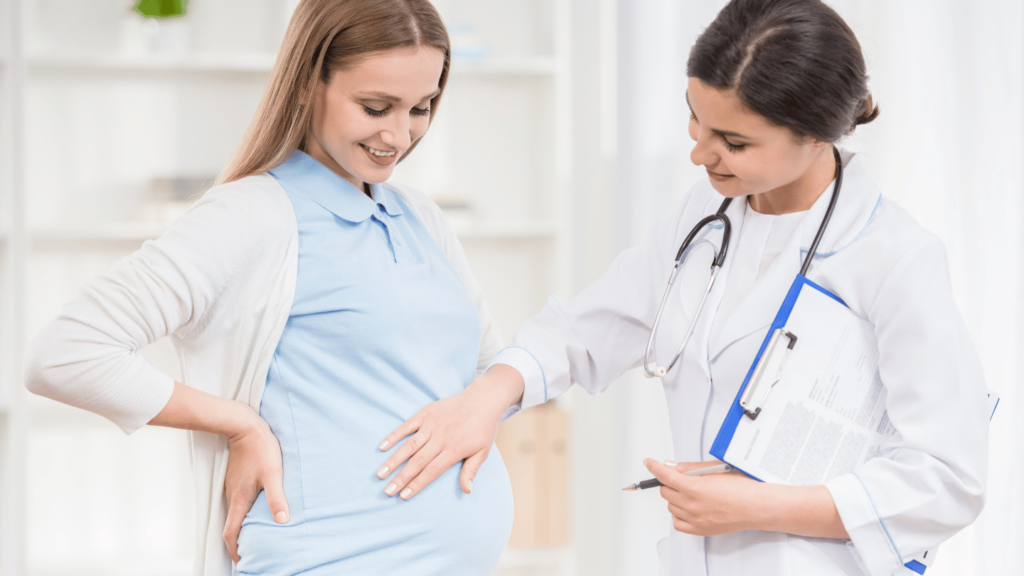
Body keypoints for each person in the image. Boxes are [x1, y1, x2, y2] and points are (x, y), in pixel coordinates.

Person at [377, 0, 989, 574]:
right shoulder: (706, 216)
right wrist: (488, 397)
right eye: (695, 118)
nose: (700, 153)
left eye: (734, 142)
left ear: (817, 134)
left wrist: (755, 507)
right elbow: (589, 328)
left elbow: (947, 478)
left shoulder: (895, 258)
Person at [22, 0, 514, 574]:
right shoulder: (251, 215)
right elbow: (64, 354)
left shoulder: (421, 217)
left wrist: (481, 408)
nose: (399, 135)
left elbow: (492, 367)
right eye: (375, 106)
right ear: (308, 83)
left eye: (421, 108)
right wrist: (238, 423)